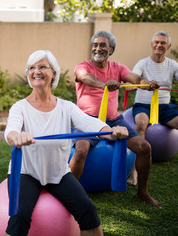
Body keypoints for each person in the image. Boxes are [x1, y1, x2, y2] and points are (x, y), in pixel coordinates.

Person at [4, 49, 129, 236]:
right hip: (26, 172)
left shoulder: (66, 107)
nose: (36, 71)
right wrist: (16, 137)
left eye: (42, 67)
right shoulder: (20, 107)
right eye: (32, 67)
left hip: (58, 173)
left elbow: (91, 124)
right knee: (19, 215)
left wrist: (112, 132)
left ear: (53, 72)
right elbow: (10, 131)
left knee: (88, 210)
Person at [69, 31, 162, 209]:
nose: (98, 48)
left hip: (113, 120)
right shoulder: (83, 65)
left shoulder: (118, 67)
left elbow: (134, 78)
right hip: (86, 119)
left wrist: (147, 82)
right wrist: (104, 84)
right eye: (95, 45)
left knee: (144, 148)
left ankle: (143, 192)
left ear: (111, 49)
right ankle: (71, 196)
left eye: (103, 45)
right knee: (80, 151)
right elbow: (84, 77)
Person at [131, 30, 178, 166]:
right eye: (157, 42)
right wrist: (141, 84)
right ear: (152, 44)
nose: (159, 45)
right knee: (141, 123)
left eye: (163, 43)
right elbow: (134, 78)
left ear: (168, 46)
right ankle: (134, 170)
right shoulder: (142, 63)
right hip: (143, 105)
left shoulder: (173, 65)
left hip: (164, 108)